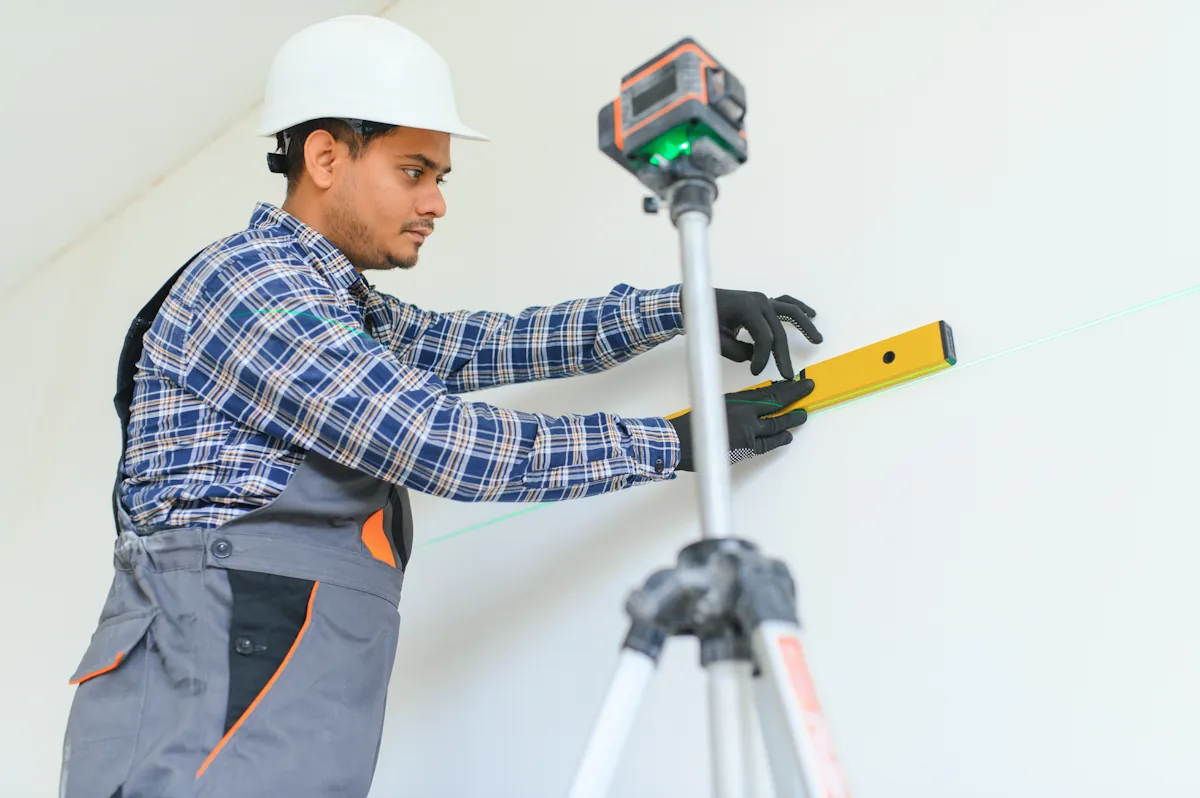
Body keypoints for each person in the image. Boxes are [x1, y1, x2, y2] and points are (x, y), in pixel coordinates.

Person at [58, 15, 823, 798]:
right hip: (199, 715)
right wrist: (670, 443)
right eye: (414, 170)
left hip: (276, 707)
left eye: (440, 178)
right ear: (325, 156)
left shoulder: (338, 303)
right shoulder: (250, 285)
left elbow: (484, 346)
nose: (435, 202)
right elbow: (437, 441)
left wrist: (679, 306)